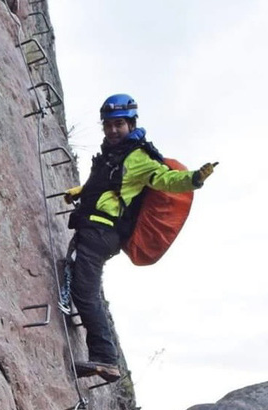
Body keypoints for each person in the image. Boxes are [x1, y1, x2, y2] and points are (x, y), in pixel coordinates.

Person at [63, 93, 216, 383]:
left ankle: (106, 359)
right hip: (92, 226)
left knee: (85, 291)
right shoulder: (113, 154)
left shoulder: (139, 157)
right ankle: (102, 352)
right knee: (83, 284)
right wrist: (80, 191)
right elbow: (105, 186)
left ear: (131, 123)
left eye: (118, 124)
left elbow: (165, 179)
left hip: (103, 232)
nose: (112, 130)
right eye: (107, 125)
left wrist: (194, 179)